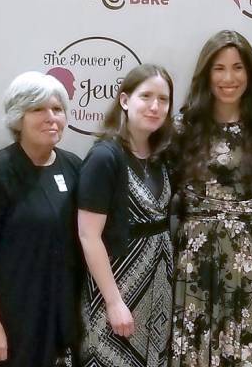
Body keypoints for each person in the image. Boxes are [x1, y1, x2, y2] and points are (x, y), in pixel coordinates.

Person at [171, 30, 252, 366]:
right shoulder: (185, 127)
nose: (229, 77)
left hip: (251, 252)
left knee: (250, 347)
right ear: (207, 74)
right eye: (219, 68)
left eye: (237, 67)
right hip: (197, 253)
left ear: (249, 73)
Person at [0, 72, 83, 367]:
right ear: (18, 117)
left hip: (60, 319)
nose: (51, 117)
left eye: (57, 109)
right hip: (11, 320)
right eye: (38, 109)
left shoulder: (74, 167)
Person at [78, 63, 174, 367]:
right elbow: (88, 235)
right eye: (146, 96)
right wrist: (114, 301)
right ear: (124, 100)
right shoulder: (105, 157)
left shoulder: (162, 156)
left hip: (159, 288)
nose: (155, 106)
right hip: (118, 285)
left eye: (163, 99)